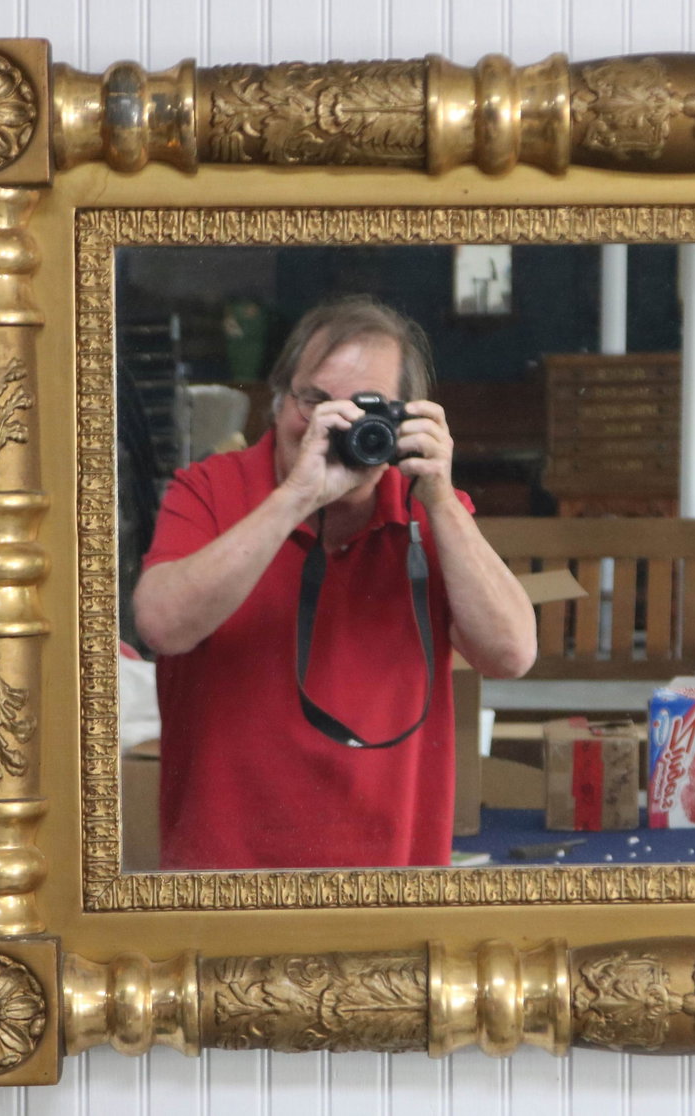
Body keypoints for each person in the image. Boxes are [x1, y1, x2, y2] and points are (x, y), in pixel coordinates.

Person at [134, 296, 537, 870]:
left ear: (407, 419)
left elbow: (512, 653)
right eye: (316, 400)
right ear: (277, 403)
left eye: (365, 407)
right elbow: (162, 626)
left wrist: (441, 499)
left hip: (392, 887)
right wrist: (297, 497)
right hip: (224, 888)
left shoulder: (428, 514)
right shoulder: (209, 489)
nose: (337, 424)